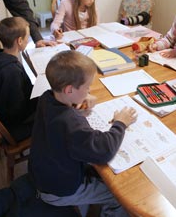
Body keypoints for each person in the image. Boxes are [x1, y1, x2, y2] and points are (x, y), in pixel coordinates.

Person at [29, 50, 137, 216]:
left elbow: (63, 123)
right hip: (58, 190)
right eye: (87, 87)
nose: (89, 91)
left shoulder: (47, 97)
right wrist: (120, 123)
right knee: (119, 196)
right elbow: (104, 150)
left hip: (43, 174)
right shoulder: (70, 123)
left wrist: (76, 100)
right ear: (69, 90)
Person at [0, 17, 36, 142]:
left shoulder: (0, 57)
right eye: (28, 37)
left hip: (7, 114)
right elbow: (16, 110)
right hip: (14, 125)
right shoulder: (11, 71)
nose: (28, 40)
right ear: (19, 41)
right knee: (56, 110)